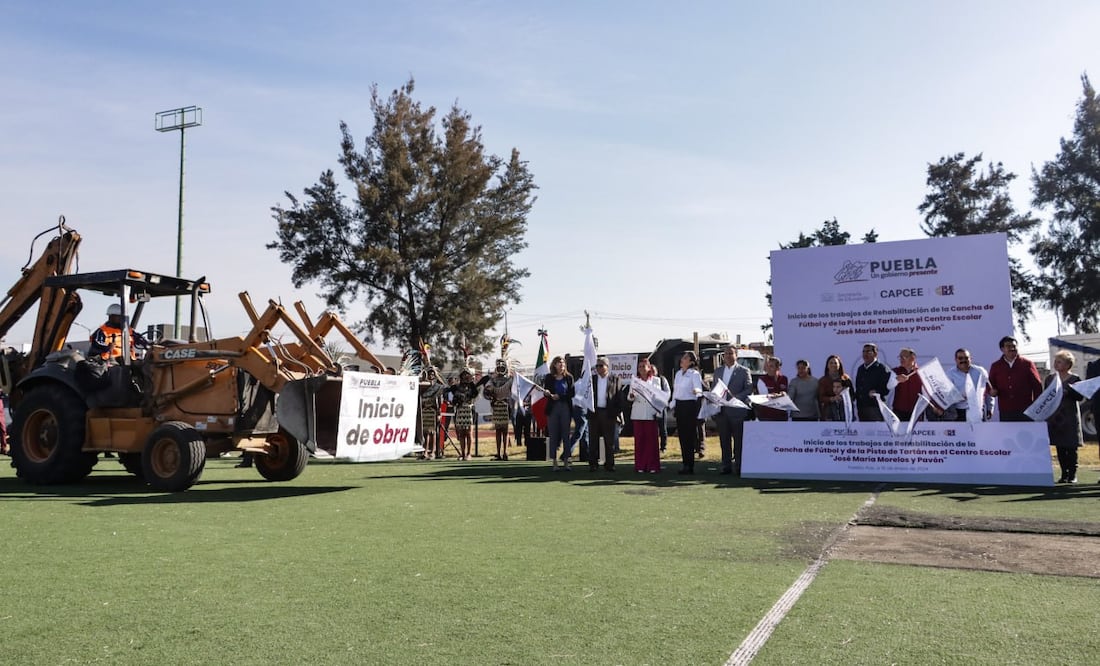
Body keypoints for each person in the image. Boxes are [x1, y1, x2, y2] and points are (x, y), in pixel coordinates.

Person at [712, 345, 753, 475]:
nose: (728, 356)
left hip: (737, 411)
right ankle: (726, 466)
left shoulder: (744, 371)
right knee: (724, 441)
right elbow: (714, 388)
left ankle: (739, 466)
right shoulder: (718, 371)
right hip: (722, 411)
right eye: (726, 354)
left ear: (736, 355)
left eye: (731, 353)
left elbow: (749, 389)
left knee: (739, 441)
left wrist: (736, 397)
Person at [1046, 350, 1084, 483]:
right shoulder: (1050, 379)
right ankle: (1064, 474)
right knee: (1060, 446)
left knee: (1071, 446)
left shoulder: (1075, 379)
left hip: (1070, 416)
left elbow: (1080, 397)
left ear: (1068, 364)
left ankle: (1072, 475)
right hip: (1055, 417)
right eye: (1055, 361)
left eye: (1059, 362)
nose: (1056, 364)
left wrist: (1069, 392)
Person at [988, 336, 1043, 422]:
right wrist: (992, 391)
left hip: (1026, 409)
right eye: (1008, 346)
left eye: (1014, 346)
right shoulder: (996, 366)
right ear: (1002, 349)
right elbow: (990, 385)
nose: (1012, 348)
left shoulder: (1027, 364)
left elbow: (1037, 386)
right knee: (1007, 430)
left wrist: (1036, 406)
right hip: (1006, 410)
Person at [628, 356, 663, 473]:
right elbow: (629, 397)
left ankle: (652, 465)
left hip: (650, 413)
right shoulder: (634, 380)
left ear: (649, 367)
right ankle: (640, 465)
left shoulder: (655, 380)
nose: (642, 369)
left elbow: (658, 397)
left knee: (651, 441)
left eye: (644, 366)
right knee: (640, 441)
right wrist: (631, 396)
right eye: (639, 367)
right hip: (638, 413)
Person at [671, 351, 703, 474]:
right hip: (679, 406)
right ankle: (685, 463)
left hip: (689, 406)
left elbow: (699, 389)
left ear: (690, 362)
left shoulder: (694, 374)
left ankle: (690, 465)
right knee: (682, 436)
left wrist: (696, 391)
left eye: (685, 358)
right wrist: (672, 404)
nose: (682, 359)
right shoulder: (678, 374)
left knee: (689, 436)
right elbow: (676, 391)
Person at [587, 356, 621, 471]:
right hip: (594, 413)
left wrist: (616, 412)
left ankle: (609, 464)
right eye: (597, 366)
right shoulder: (592, 379)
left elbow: (619, 397)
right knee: (593, 440)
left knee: (609, 441)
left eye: (601, 365)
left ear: (607, 366)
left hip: (608, 413)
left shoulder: (615, 379)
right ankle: (593, 464)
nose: (598, 368)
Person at [541, 356, 575, 470]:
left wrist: (560, 396)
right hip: (553, 408)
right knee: (553, 435)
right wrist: (547, 393)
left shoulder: (569, 377)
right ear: (554, 365)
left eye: (563, 363)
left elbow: (572, 393)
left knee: (566, 435)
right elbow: (546, 391)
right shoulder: (549, 377)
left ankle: (566, 461)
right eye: (559, 363)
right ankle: (554, 462)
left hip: (565, 407)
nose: (561, 365)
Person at [941, 349, 992, 421]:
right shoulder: (950, 374)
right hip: (959, 411)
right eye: (960, 358)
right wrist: (959, 397)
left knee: (980, 429)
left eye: (966, 358)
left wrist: (990, 407)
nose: (963, 360)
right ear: (955, 360)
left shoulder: (980, 371)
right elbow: (946, 394)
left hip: (978, 410)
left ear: (970, 359)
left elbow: (988, 390)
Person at [483, 359, 513, 460]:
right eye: (498, 368)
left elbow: (514, 391)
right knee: (498, 430)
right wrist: (491, 396)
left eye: (502, 368)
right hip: (496, 406)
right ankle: (499, 453)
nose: (500, 370)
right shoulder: (492, 380)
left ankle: (505, 453)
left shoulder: (509, 380)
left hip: (505, 406)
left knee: (505, 430)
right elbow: (486, 392)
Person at [854, 343, 890, 421]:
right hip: (861, 407)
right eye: (863, 351)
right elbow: (858, 387)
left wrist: (876, 392)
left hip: (875, 407)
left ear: (875, 354)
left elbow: (886, 389)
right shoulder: (860, 369)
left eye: (868, 351)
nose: (865, 354)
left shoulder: (882, 368)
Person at [450, 369, 478, 461]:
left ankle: (469, 454)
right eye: (464, 375)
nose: (465, 377)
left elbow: (475, 394)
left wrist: (471, 382)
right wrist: (456, 401)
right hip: (460, 410)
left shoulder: (472, 387)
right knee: (461, 433)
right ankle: (462, 454)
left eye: (467, 375)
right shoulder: (456, 387)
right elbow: (454, 399)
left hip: (469, 410)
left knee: (469, 433)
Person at [890, 348, 924, 421]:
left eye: (904, 356)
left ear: (912, 358)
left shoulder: (921, 372)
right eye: (900, 357)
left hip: (916, 412)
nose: (901, 359)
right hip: (898, 411)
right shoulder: (895, 371)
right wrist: (895, 380)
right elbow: (887, 385)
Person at [754, 356, 790, 422]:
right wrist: (776, 395)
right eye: (767, 366)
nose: (768, 368)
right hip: (766, 416)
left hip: (781, 415)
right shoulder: (762, 379)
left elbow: (785, 393)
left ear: (778, 368)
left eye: (771, 366)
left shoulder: (784, 378)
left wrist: (782, 394)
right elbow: (763, 397)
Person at [817, 355, 853, 419]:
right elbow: (820, 398)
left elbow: (852, 395)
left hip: (845, 411)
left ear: (839, 365)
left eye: (835, 363)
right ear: (827, 365)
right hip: (828, 412)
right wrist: (832, 399)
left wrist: (844, 398)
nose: (833, 365)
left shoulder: (846, 379)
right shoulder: (823, 381)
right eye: (831, 363)